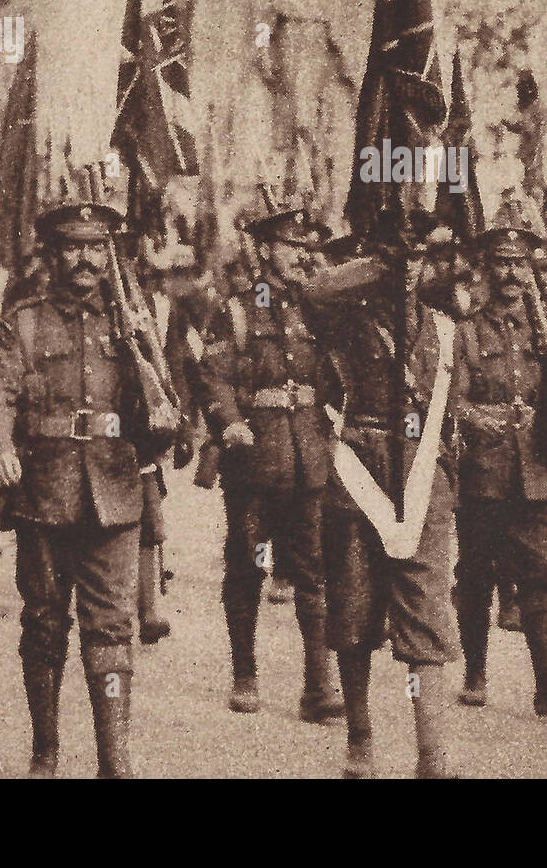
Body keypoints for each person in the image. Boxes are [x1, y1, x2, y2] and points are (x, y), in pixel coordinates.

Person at [0, 200, 181, 778]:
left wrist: (145, 351)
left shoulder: (131, 321)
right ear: (53, 252)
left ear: (110, 255)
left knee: (112, 627)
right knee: (44, 622)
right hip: (45, 490)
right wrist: (0, 445)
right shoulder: (25, 319)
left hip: (116, 489)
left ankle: (114, 761)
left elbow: (165, 401)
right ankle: (45, 750)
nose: (85, 259)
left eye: (96, 248)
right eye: (73, 246)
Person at [301, 224, 466, 778]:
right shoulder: (346, 319)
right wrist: (383, 261)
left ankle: (431, 755)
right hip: (360, 470)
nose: (411, 269)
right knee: (353, 613)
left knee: (426, 612)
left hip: (423, 477)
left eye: (420, 258)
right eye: (403, 257)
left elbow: (453, 410)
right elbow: (315, 291)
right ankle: (360, 733)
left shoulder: (445, 328)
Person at [192, 206, 343, 721]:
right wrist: (229, 422)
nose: (302, 253)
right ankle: (245, 673)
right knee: (249, 566)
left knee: (313, 570)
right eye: (290, 244)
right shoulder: (235, 309)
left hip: (309, 456)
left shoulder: (319, 306)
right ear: (265, 249)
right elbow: (212, 376)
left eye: (306, 245)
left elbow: (335, 376)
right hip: (256, 458)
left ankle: (318, 687)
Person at [452, 219, 547, 716]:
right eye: (502, 263)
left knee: (542, 574)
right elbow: (454, 402)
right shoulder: (467, 331)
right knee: (478, 574)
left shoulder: (546, 334)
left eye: (520, 264)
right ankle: (476, 672)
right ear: (486, 269)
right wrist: (484, 419)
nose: (511, 273)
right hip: (485, 473)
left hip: (536, 472)